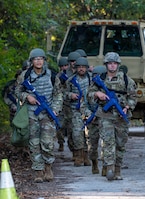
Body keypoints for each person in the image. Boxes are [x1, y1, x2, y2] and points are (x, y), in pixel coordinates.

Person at [86, 52, 137, 180]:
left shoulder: (126, 80)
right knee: (108, 142)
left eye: (115, 63)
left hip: (120, 117)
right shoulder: (100, 79)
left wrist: (127, 107)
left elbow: (133, 97)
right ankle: (109, 168)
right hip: (105, 115)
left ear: (118, 65)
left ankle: (118, 169)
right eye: (110, 63)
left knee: (120, 144)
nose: (112, 66)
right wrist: (98, 94)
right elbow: (89, 94)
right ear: (106, 64)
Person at [15, 48, 63, 183]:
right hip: (31, 113)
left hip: (47, 113)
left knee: (47, 142)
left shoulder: (52, 76)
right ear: (31, 61)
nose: (39, 61)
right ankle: (38, 170)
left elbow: (58, 94)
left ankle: (48, 167)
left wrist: (55, 109)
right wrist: (27, 96)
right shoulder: (25, 76)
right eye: (36, 59)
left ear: (44, 61)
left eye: (41, 59)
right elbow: (17, 91)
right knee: (34, 142)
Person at [65, 57, 92, 167]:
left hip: (89, 110)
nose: (81, 69)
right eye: (79, 67)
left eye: (83, 67)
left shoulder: (92, 79)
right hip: (76, 110)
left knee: (89, 134)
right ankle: (79, 156)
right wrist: (70, 95)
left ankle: (87, 156)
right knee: (77, 133)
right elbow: (63, 93)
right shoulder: (71, 80)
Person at [56, 57, 69, 151]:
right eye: (62, 66)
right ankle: (61, 143)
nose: (64, 68)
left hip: (70, 104)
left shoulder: (72, 75)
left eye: (66, 65)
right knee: (59, 126)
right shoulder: (57, 77)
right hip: (61, 104)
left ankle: (74, 148)